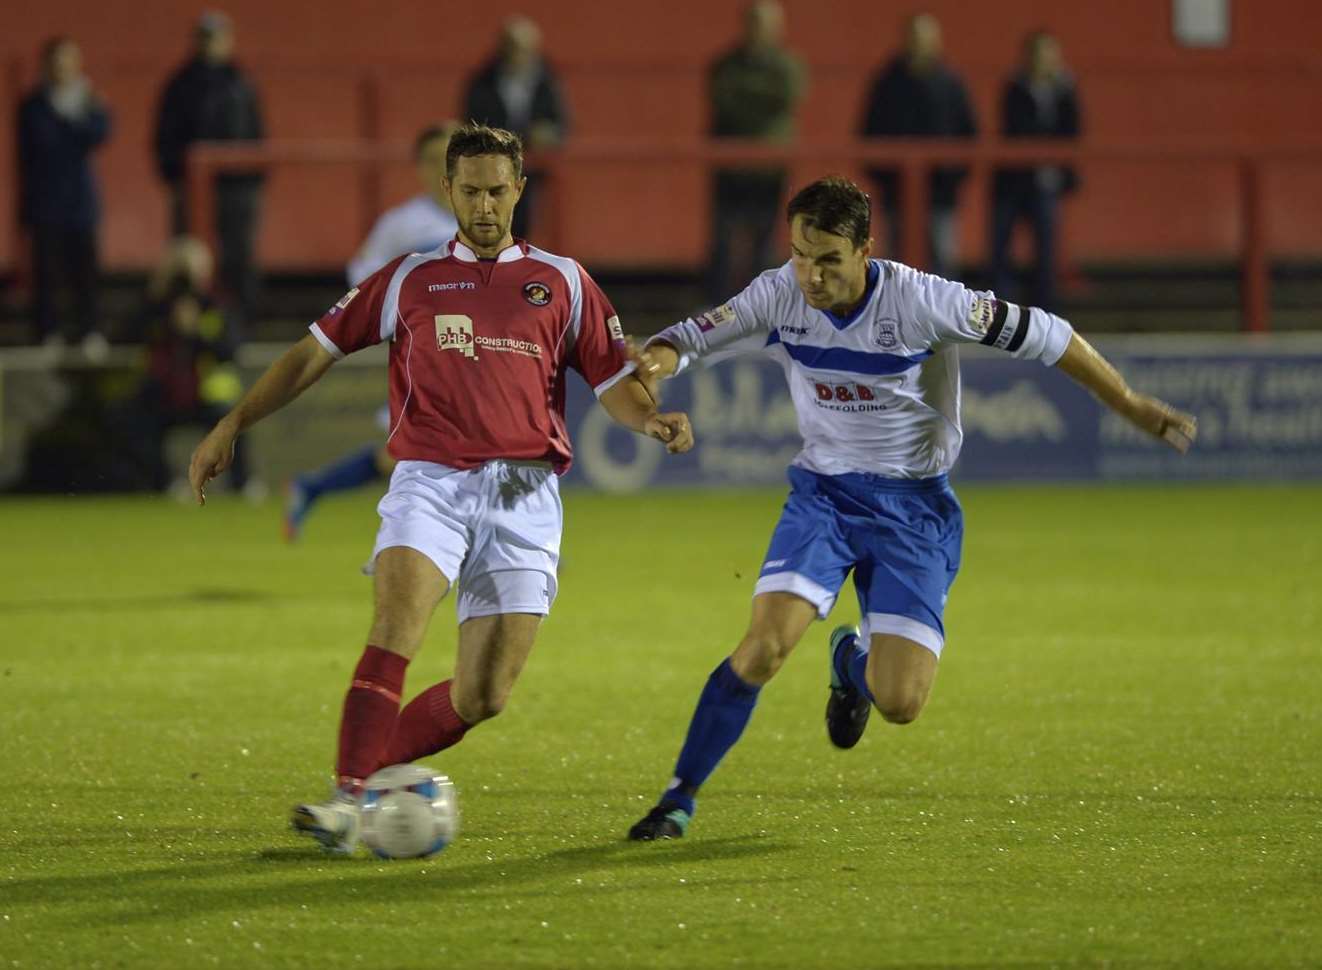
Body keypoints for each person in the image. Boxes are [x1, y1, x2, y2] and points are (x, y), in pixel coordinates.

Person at [624, 176, 1196, 841]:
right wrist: (654, 371)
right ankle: (676, 800)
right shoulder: (779, 292)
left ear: (866, 248)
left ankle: (848, 664)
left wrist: (1128, 404)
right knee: (763, 649)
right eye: (802, 254)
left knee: (899, 702)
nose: (810, 274)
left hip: (914, 512)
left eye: (829, 259)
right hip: (825, 498)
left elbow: (1051, 335)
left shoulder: (925, 301)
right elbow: (685, 338)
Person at [187, 124, 694, 854]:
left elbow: (614, 382)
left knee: (483, 694)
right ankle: (347, 799)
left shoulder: (563, 280)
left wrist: (652, 423)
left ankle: (367, 772)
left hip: (525, 495)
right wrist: (233, 421)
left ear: (519, 189)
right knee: (397, 623)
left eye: (497, 190)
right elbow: (311, 354)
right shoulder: (409, 278)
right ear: (449, 191)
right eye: (470, 190)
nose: (484, 205)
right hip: (430, 480)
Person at [283, 122, 462, 541]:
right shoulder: (402, 223)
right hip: (424, 356)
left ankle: (317, 491)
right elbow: (363, 276)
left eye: (452, 156)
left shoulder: (484, 214)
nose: (446, 166)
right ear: (421, 168)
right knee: (432, 454)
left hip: (476, 350)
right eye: (435, 159)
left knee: (409, 456)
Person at [154, 11, 265, 326]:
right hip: (193, 187)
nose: (212, 44)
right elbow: (164, 137)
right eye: (206, 37)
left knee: (238, 258)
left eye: (218, 37)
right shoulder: (180, 85)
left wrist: (253, 179)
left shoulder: (242, 83)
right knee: (191, 259)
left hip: (238, 188)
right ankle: (189, 324)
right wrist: (176, 180)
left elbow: (257, 133)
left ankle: (239, 325)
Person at [120, 236, 251, 497]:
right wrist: (158, 296)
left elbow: (230, 350)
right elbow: (126, 334)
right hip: (165, 394)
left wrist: (194, 333)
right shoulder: (157, 305)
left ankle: (243, 484)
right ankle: (164, 483)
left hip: (209, 395)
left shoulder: (217, 304)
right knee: (131, 421)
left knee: (234, 422)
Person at [859, 13, 977, 279]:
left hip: (942, 193)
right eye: (914, 37)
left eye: (924, 38)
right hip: (896, 191)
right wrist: (885, 178)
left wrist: (952, 177)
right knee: (897, 266)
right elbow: (869, 132)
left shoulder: (951, 83)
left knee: (943, 261)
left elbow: (968, 134)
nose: (919, 44)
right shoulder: (887, 82)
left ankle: (944, 320)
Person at [17, 37, 112, 356]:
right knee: (46, 271)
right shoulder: (33, 105)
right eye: (56, 62)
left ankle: (90, 330)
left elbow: (99, 133)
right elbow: (36, 148)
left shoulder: (89, 100)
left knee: (85, 270)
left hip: (80, 202)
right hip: (45, 201)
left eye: (68, 61)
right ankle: (48, 331)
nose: (62, 68)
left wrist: (77, 114)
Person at [706, 0, 807, 302]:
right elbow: (724, 100)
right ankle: (718, 309)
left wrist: (749, 99)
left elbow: (786, 98)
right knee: (723, 242)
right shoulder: (726, 64)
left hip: (768, 169)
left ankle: (761, 307)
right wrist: (759, 101)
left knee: (765, 242)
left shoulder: (788, 65)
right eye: (755, 22)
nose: (760, 30)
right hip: (730, 167)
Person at [990, 31, 1082, 311]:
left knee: (1046, 249)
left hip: (1046, 182)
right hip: (1013, 181)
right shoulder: (1015, 87)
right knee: (1002, 247)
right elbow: (1014, 129)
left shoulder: (1065, 90)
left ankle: (1044, 311)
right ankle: (1001, 309)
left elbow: (1073, 132)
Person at [462, 17, 569, 240]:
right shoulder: (483, 80)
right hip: (492, 164)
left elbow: (561, 122)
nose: (521, 55)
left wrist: (548, 133)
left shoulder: (546, 80)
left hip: (532, 166)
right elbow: (471, 121)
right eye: (515, 47)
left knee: (527, 222)